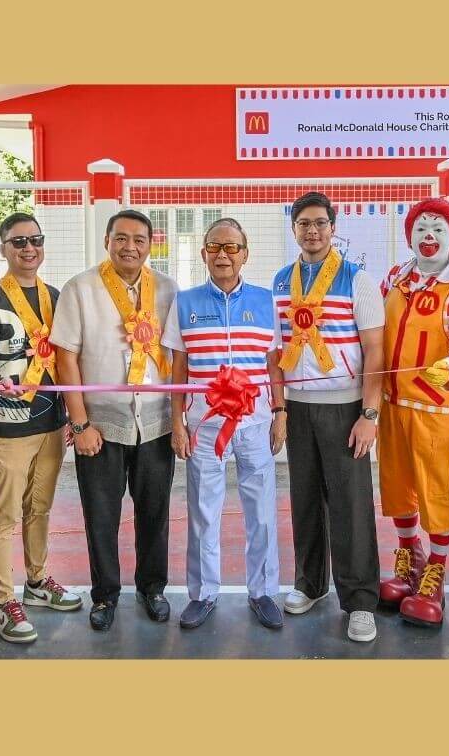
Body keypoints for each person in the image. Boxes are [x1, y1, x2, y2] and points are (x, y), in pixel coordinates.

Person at [52, 209, 177, 632]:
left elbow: (176, 356)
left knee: (154, 513)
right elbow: (64, 356)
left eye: (139, 239)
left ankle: (152, 588)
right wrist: (81, 423)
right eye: (121, 238)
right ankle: (104, 595)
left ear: (150, 244)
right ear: (107, 240)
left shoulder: (166, 290)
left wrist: (179, 420)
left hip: (155, 422)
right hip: (100, 428)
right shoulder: (80, 289)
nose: (130, 247)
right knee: (100, 516)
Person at [162, 217, 285, 630]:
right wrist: (177, 421)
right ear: (203, 254)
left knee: (262, 511)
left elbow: (273, 365)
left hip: (255, 424)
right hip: (204, 425)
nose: (222, 255)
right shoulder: (184, 303)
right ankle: (202, 594)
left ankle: (264, 591)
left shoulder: (267, 302)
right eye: (215, 247)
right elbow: (178, 366)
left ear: (245, 255)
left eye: (231, 248)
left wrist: (280, 413)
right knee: (202, 511)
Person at [273, 192, 384, 643]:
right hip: (298, 407)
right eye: (304, 223)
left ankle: (360, 600)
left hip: (346, 410)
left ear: (333, 227)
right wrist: (279, 408)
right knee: (305, 501)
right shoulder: (282, 282)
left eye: (320, 223)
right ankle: (310, 583)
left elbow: (377, 351)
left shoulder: (358, 280)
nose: (312, 231)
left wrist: (369, 414)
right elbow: (274, 350)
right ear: (294, 228)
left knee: (351, 507)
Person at [0, 212, 82, 644]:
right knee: (3, 516)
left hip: (52, 423)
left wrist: (73, 413)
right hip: (5, 428)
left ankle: (36, 582)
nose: (28, 248)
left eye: (35, 240)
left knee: (40, 508)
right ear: (3, 248)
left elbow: (69, 358)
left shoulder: (57, 297)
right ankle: (3, 600)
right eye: (18, 242)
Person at [377, 198, 449, 628]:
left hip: (436, 410)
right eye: (421, 226)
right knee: (397, 484)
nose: (428, 235)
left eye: (438, 229)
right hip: (391, 405)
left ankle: (436, 572)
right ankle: (408, 556)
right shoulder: (393, 279)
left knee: (436, 491)